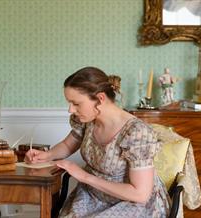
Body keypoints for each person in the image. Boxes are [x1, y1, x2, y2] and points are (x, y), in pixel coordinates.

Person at [25, 67, 170, 217]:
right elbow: (68, 145)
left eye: (76, 103)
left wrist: (84, 176)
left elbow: (140, 194)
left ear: (100, 98)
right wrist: (47, 155)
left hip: (132, 203)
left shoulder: (137, 133)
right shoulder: (87, 120)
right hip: (92, 196)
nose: (70, 110)